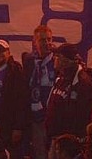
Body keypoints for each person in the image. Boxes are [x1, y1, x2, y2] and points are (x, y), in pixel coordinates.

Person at [45, 43, 92, 143]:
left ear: (65, 60)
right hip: (56, 138)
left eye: (57, 57)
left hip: (69, 142)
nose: (54, 59)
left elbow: (83, 115)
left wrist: (74, 139)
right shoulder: (61, 78)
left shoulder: (83, 83)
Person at [22, 24, 56, 159]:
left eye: (49, 39)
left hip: (54, 114)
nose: (47, 43)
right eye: (43, 40)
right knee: (40, 152)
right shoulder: (29, 60)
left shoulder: (58, 59)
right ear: (34, 42)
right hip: (36, 115)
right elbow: (25, 87)